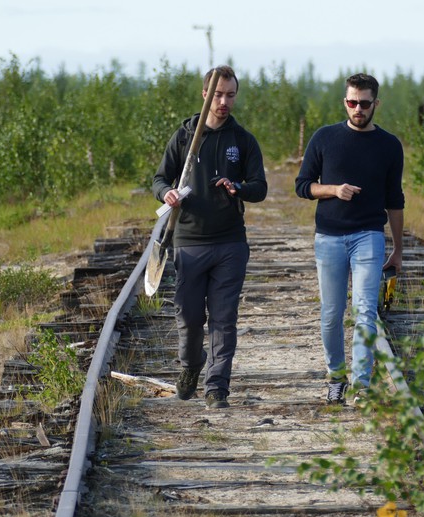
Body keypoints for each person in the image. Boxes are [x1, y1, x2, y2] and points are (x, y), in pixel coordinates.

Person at [152, 65, 267, 410]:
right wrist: (166, 194)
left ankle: (217, 387)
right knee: (188, 315)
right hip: (188, 240)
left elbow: (260, 188)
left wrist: (239, 188)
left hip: (230, 242)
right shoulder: (186, 136)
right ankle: (191, 365)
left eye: (230, 95)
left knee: (223, 317)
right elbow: (159, 179)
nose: (224, 102)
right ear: (205, 95)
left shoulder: (243, 140)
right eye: (218, 95)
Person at [294, 72, 404, 405]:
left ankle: (362, 385)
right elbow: (303, 185)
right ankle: (336, 376)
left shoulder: (389, 145)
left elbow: (395, 200)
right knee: (331, 313)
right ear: (345, 102)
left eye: (365, 103)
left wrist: (398, 248)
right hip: (328, 237)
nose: (358, 108)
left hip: (368, 236)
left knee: (365, 311)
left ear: (375, 104)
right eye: (352, 102)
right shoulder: (324, 138)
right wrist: (332, 190)